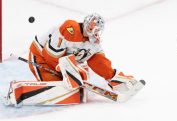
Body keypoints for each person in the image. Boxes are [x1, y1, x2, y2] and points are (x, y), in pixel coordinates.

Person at [4, 13, 143, 106]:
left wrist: (112, 76)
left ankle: (122, 83)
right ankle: (18, 93)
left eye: (97, 30)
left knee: (82, 79)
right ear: (87, 24)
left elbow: (99, 62)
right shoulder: (71, 28)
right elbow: (50, 56)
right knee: (64, 88)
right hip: (40, 59)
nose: (94, 32)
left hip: (61, 63)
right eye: (92, 27)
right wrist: (69, 73)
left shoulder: (92, 42)